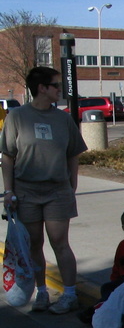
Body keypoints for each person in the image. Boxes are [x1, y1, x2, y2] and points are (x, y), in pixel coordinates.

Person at [0, 66, 88, 314]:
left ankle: (69, 294)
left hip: (57, 191)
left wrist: (72, 185)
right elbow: (7, 156)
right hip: (26, 191)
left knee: (60, 242)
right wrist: (9, 191)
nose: (60, 90)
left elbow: (73, 154)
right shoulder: (17, 117)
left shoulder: (62, 119)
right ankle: (41, 292)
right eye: (56, 85)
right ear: (42, 88)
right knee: (34, 244)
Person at [79, 208, 124, 324]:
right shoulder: (122, 245)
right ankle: (98, 312)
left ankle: (93, 312)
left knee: (112, 293)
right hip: (121, 282)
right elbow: (117, 265)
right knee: (107, 288)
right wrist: (114, 280)